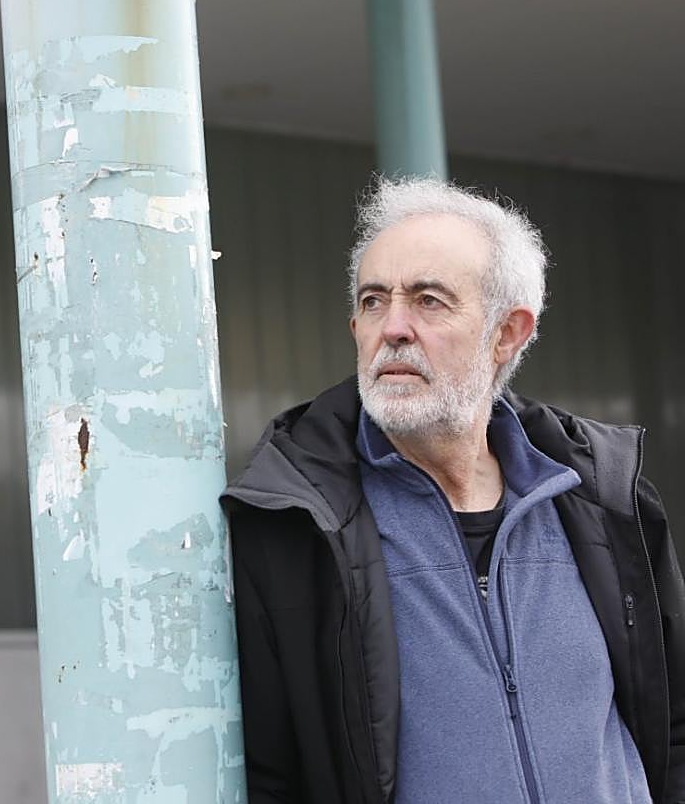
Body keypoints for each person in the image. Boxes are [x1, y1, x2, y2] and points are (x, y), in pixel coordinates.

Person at [221, 178, 685, 804]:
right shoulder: (296, 526)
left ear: (507, 333)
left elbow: (673, 720)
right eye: (373, 301)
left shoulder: (603, 497)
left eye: (429, 300)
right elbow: (269, 775)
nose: (393, 328)